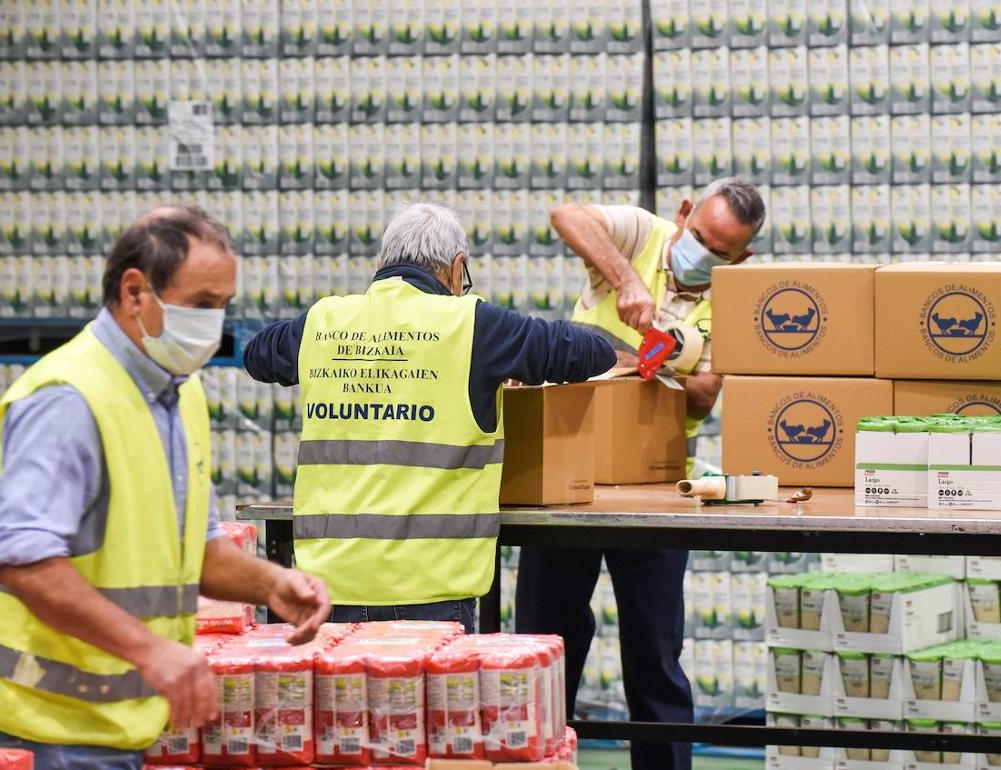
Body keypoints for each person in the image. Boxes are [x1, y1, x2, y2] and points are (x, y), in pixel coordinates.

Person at [0, 205, 331, 770]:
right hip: (43, 724)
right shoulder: (69, 398)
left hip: (121, 721)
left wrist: (271, 583)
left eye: (222, 307)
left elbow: (193, 552)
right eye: (201, 304)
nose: (213, 323)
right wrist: (153, 652)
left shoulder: (180, 394)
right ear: (135, 292)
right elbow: (21, 558)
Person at [244, 203, 615, 630]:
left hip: (327, 589)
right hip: (429, 592)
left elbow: (258, 354)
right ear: (458, 270)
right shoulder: (473, 325)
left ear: (381, 264)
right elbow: (587, 351)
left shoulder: (323, 321)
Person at [517, 178, 766, 770]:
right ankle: (536, 760)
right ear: (683, 215)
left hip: (658, 486)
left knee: (654, 653)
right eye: (699, 236)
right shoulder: (642, 235)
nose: (701, 253)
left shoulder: (734, 302)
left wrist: (659, 357)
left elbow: (703, 399)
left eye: (720, 251)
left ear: (742, 258)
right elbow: (567, 214)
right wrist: (626, 280)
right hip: (568, 474)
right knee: (546, 643)